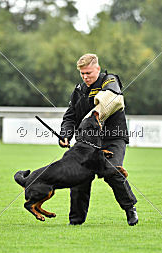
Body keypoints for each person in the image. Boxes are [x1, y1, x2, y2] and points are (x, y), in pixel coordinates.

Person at [59, 53, 138, 226]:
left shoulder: (109, 81)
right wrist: (65, 133)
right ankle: (76, 222)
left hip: (112, 139)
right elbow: (70, 116)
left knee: (111, 171)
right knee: (78, 177)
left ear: (98, 69)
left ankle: (130, 208)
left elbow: (112, 97)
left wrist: (91, 114)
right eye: (83, 74)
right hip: (87, 143)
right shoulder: (79, 90)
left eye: (89, 73)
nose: (86, 77)